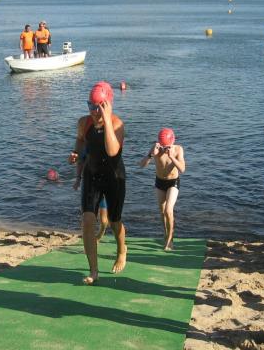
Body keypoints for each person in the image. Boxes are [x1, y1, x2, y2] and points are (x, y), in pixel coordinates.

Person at [68, 81, 126, 284]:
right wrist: (76, 154)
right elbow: (80, 141)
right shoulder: (83, 123)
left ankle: (121, 250)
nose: (93, 111)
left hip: (114, 177)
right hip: (92, 175)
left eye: (98, 107)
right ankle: (93, 270)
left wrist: (107, 120)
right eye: (90, 106)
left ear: (107, 105)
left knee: (114, 221)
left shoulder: (117, 124)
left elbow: (112, 151)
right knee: (87, 221)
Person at [139, 127, 186, 251]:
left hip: (173, 182)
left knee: (168, 210)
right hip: (159, 182)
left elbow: (182, 169)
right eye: (163, 147)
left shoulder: (178, 149)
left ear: (172, 142)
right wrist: (151, 155)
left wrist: (172, 157)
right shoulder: (156, 148)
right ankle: (166, 234)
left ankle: (170, 240)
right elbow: (141, 165)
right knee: (162, 212)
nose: (165, 149)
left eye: (167, 147)